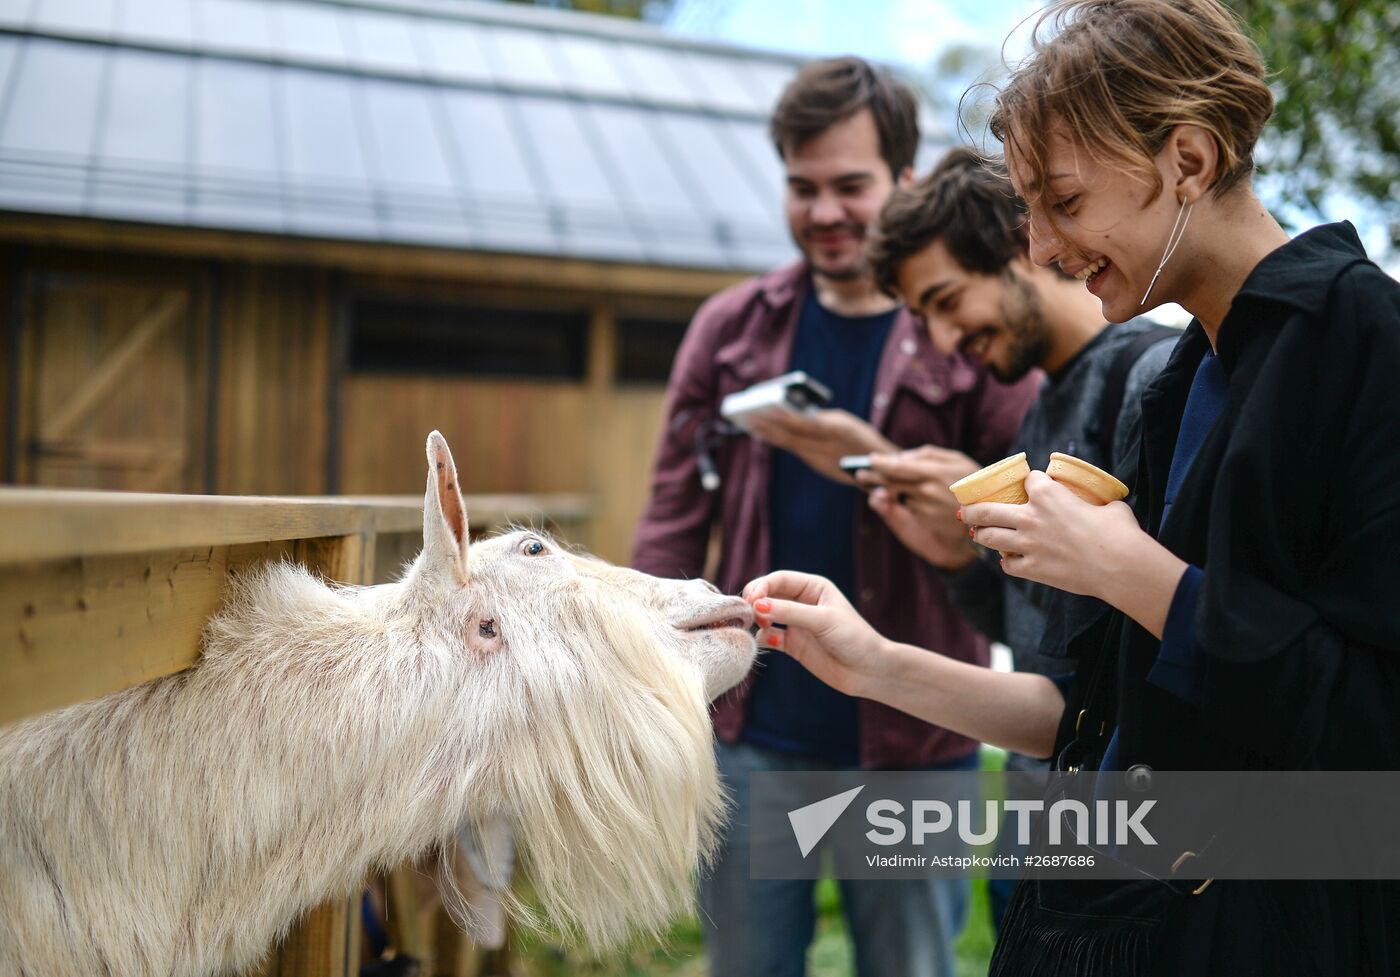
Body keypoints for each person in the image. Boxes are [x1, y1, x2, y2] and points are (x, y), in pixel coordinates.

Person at [742, 1, 1400, 974]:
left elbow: (1367, 733)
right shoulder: (1173, 385)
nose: (1043, 248)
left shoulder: (1366, 346)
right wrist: (869, 659)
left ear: (1187, 158)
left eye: (1062, 202)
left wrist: (1133, 571)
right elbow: (1082, 714)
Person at [631, 57, 1038, 977]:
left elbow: (1033, 504)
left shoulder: (967, 321)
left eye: (850, 185)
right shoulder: (729, 329)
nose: (823, 212)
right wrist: (654, 685)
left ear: (903, 180)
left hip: (915, 740)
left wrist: (873, 460)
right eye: (801, 187)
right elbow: (668, 520)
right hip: (750, 736)